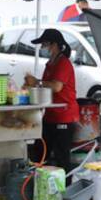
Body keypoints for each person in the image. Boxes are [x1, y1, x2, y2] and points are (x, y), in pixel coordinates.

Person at [25, 29, 80, 177]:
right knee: (40, 153)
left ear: (54, 45)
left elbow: (56, 86)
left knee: (62, 158)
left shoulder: (63, 63)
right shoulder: (50, 64)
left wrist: (37, 81)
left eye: (44, 44)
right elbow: (45, 87)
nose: (43, 48)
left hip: (64, 117)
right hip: (50, 115)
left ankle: (65, 192)